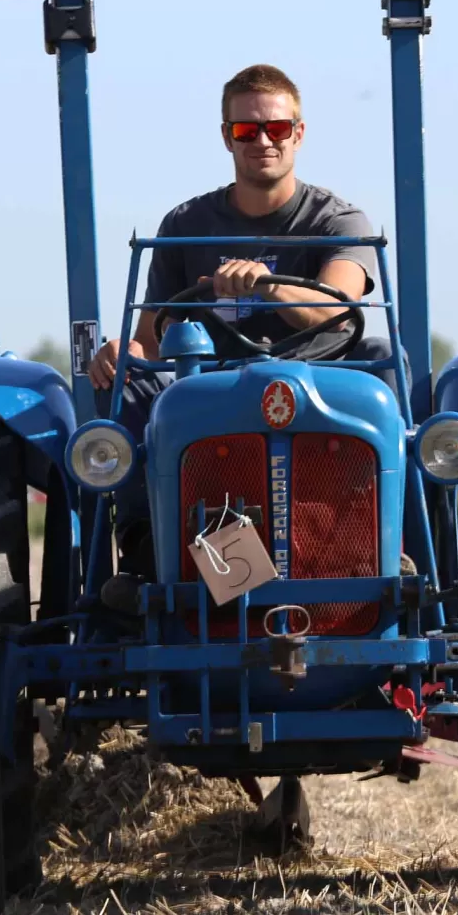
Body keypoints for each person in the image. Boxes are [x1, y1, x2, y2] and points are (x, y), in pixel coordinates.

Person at [85, 64, 380, 566]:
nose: (263, 140)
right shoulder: (184, 225)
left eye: (277, 128)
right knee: (125, 381)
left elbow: (336, 303)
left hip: (316, 383)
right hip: (209, 389)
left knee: (384, 357)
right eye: (247, 129)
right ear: (227, 138)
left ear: (298, 134)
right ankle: (143, 553)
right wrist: (123, 353)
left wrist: (268, 286)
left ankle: (392, 545)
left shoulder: (337, 220)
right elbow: (150, 342)